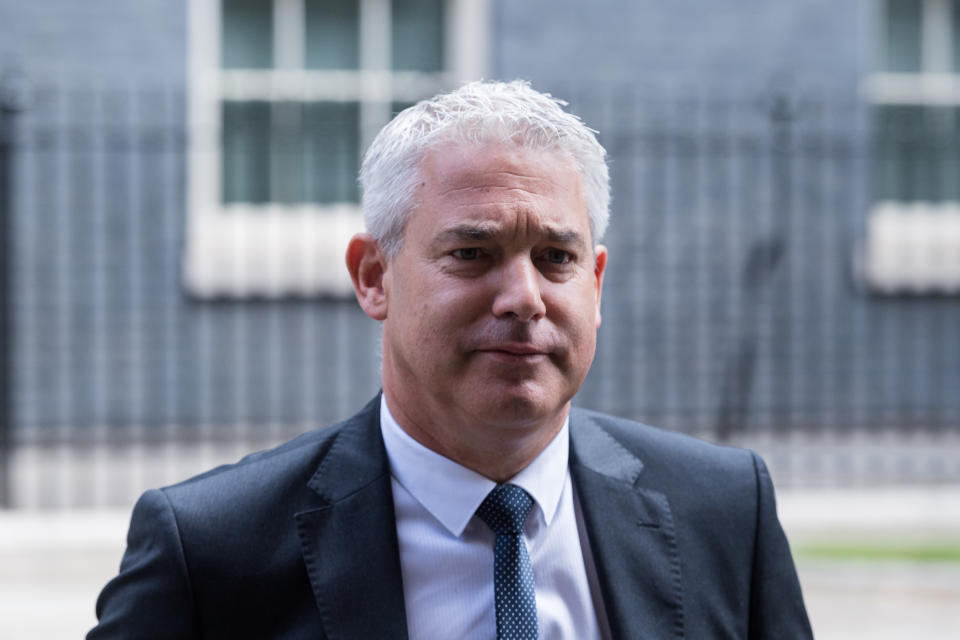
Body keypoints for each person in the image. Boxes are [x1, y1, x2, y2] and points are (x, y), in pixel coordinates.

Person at [89, 80, 812, 639]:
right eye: (473, 253)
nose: (524, 296)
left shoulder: (723, 512)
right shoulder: (211, 552)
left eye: (556, 258)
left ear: (594, 284)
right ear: (373, 275)